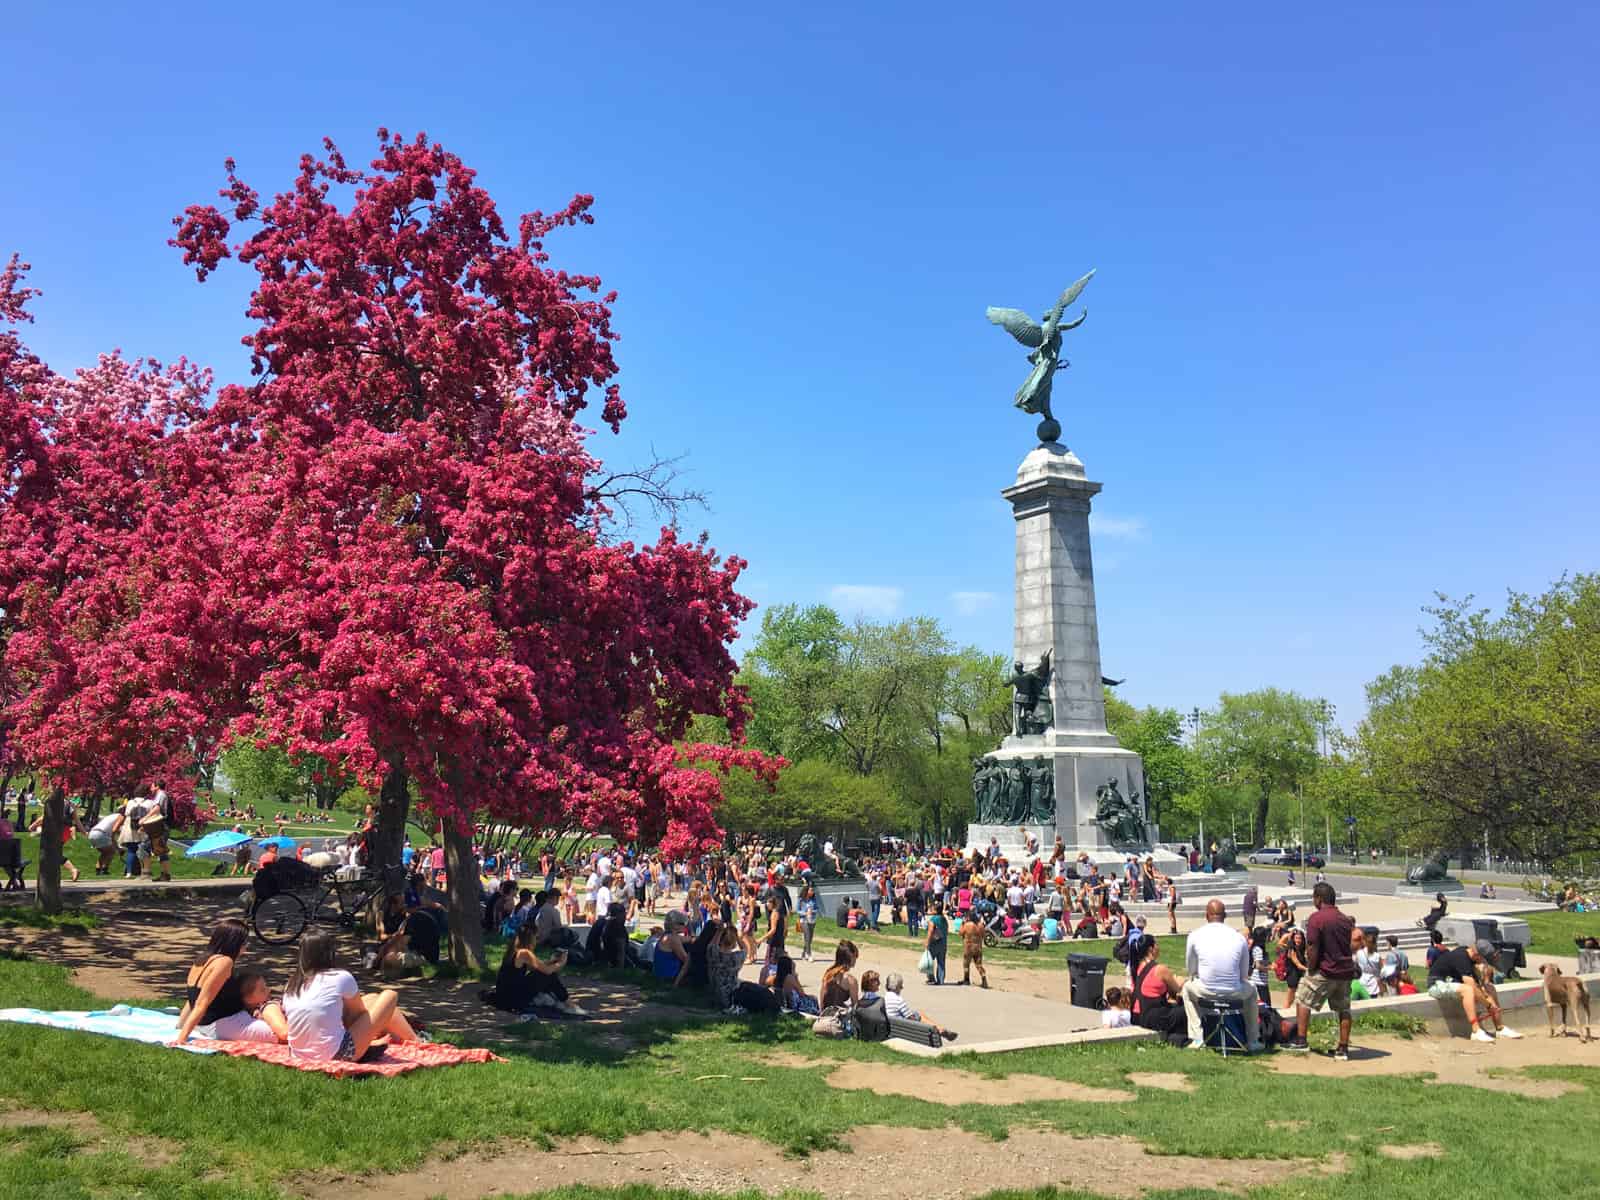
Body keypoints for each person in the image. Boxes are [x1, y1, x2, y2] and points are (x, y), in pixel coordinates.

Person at [282, 931, 419, 1062]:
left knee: (372, 998)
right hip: (336, 1054)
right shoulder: (340, 977)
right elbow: (357, 1015)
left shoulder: (291, 984)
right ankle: (416, 1041)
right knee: (389, 996)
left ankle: (401, 1036)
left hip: (297, 1054)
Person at [173, 919, 287, 1044]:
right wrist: (182, 1038)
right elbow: (201, 1003)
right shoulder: (225, 962)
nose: (246, 946)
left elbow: (192, 998)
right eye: (244, 942)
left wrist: (181, 1025)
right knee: (284, 1036)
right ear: (235, 943)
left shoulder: (201, 960)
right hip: (224, 1023)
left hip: (210, 1024)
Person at [1181, 900, 1262, 1052]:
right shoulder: (1239, 937)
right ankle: (1253, 1040)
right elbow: (1244, 974)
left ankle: (1197, 1037)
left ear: (1206, 915)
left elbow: (1191, 971)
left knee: (1187, 989)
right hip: (1234, 992)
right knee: (1252, 990)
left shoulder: (1195, 935)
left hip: (1206, 991)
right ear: (1225, 916)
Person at [1290, 882, 1357, 1059]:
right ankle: (1343, 1048)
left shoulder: (1316, 918)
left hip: (1325, 970)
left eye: (1314, 897)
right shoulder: (1344, 919)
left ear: (1319, 898)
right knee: (1343, 1009)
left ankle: (1301, 1040)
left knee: (1302, 999)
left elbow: (1312, 946)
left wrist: (1311, 967)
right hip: (1345, 971)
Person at [1428, 939, 1523, 1043]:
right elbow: (1471, 985)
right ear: (1477, 954)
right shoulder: (1461, 957)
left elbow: (1479, 984)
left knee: (1490, 988)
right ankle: (1476, 1031)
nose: (1484, 962)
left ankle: (1500, 1028)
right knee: (1468, 990)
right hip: (1437, 984)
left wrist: (1486, 987)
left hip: (1454, 983)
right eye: (1483, 959)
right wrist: (1489, 1005)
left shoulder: (1470, 957)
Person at [492, 924, 584, 1016]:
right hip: (513, 1000)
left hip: (504, 996)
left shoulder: (513, 950)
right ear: (530, 938)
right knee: (549, 975)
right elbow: (547, 971)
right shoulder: (524, 953)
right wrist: (562, 962)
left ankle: (559, 1001)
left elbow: (536, 967)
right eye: (536, 937)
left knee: (541, 974)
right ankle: (571, 1006)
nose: (536, 940)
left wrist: (551, 961)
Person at [1128, 936, 1188, 1044]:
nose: (1159, 947)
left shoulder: (1137, 967)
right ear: (1151, 949)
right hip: (1153, 1017)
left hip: (1138, 1015)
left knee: (1175, 1008)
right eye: (1157, 945)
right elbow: (1177, 989)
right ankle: (1185, 1039)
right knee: (1187, 1010)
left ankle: (1177, 1038)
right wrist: (1181, 980)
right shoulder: (1159, 969)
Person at [881, 972, 957, 1041]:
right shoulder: (898, 1000)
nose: (902, 988)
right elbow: (911, 1019)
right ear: (898, 987)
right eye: (901, 986)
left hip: (891, 1029)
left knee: (918, 1014)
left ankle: (940, 1029)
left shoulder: (883, 999)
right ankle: (940, 1029)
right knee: (920, 1016)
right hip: (903, 1031)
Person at [653, 910, 691, 985]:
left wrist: (699, 938)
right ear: (675, 925)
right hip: (668, 978)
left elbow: (688, 939)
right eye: (683, 924)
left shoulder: (667, 935)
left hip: (660, 975)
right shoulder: (673, 938)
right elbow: (686, 959)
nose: (685, 926)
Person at [820, 940, 860, 1009]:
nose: (856, 959)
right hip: (838, 1016)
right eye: (855, 956)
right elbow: (855, 1006)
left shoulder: (829, 973)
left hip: (825, 1013)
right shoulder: (850, 980)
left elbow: (822, 999)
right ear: (851, 957)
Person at [958, 908, 990, 988]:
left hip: (968, 947)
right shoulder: (980, 925)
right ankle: (984, 979)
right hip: (978, 947)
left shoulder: (967, 925)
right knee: (978, 964)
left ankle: (966, 980)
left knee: (966, 964)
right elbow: (983, 936)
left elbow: (960, 933)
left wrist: (962, 924)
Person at [922, 899, 949, 986]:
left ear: (935, 910)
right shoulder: (944, 919)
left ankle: (931, 978)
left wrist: (927, 941)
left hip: (934, 944)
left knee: (929, 961)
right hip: (943, 943)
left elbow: (930, 931)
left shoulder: (933, 919)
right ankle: (940, 979)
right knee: (941, 962)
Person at [1281, 928, 1308, 1011]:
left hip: (1299, 974)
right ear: (1293, 938)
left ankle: (1292, 1010)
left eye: (1300, 938)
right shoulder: (1291, 949)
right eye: (1296, 938)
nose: (1298, 940)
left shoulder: (1302, 948)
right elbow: (1297, 964)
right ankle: (1285, 1012)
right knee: (1290, 996)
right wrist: (1309, 969)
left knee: (1295, 996)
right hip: (1292, 974)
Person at [1351, 928, 1382, 1000]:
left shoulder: (1359, 953)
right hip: (1373, 984)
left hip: (1362, 981)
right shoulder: (1377, 956)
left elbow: (1354, 963)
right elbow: (1381, 971)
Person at [796, 883, 819, 961]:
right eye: (811, 890)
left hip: (812, 920)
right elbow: (797, 910)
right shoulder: (801, 900)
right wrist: (805, 913)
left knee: (810, 938)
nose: (812, 892)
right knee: (807, 936)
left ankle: (804, 952)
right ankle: (809, 954)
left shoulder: (814, 900)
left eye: (813, 890)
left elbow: (817, 909)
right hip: (804, 920)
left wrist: (812, 911)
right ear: (807, 891)